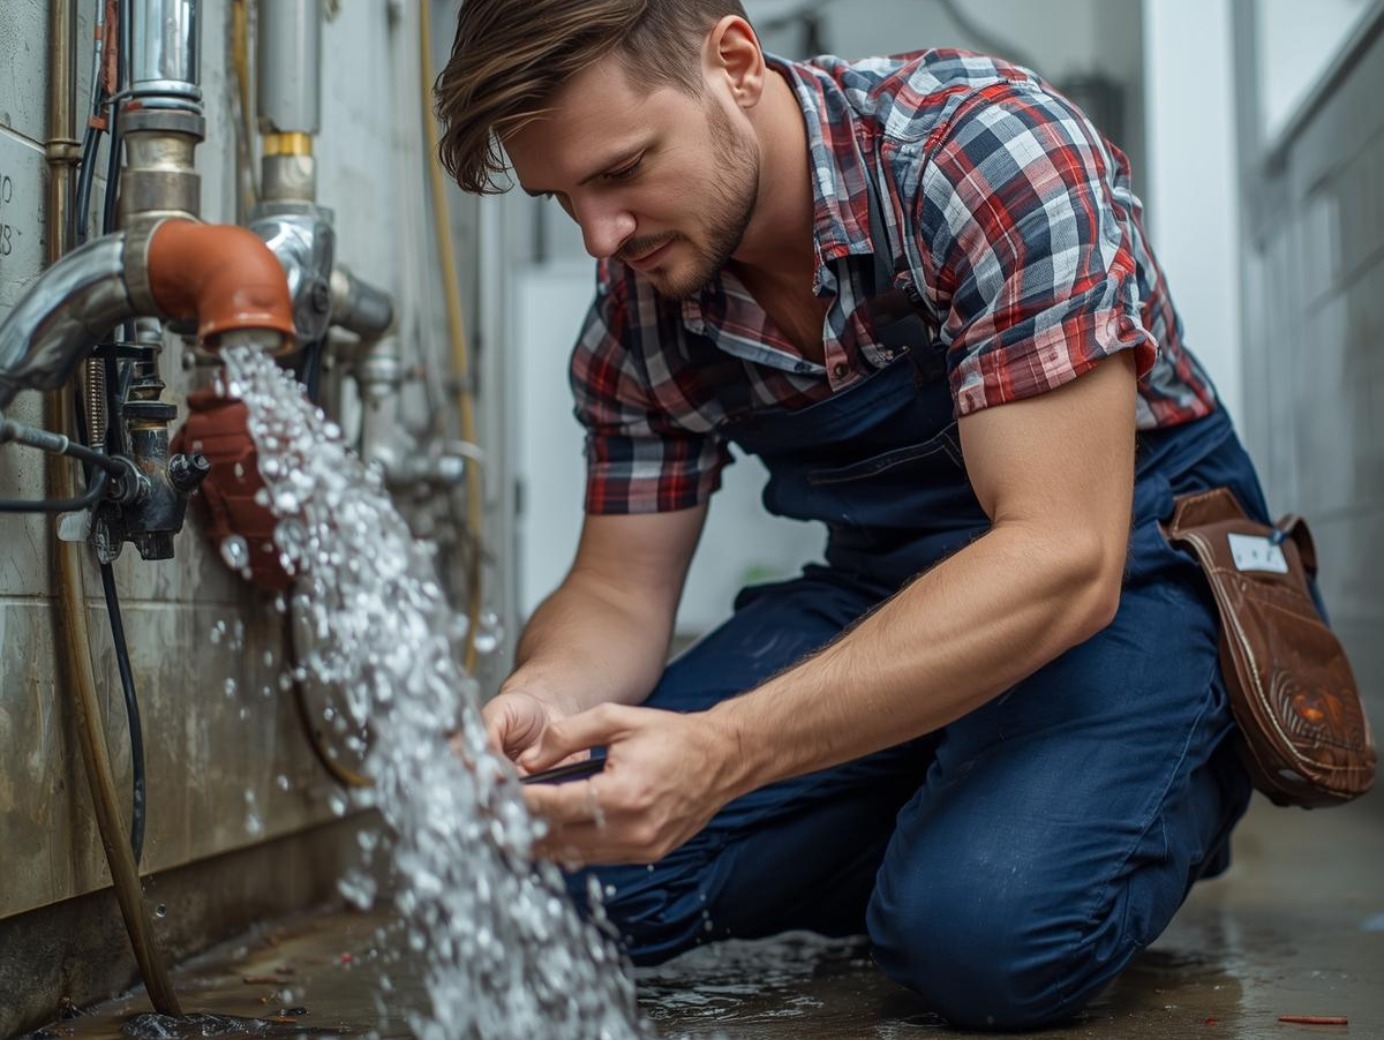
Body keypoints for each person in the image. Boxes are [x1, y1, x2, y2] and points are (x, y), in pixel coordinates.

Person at [435, 0, 1267, 1029]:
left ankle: (1159, 768)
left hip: (1126, 561)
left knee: (981, 938)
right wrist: (540, 704)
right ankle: (970, 776)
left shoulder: (984, 155)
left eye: (620, 171)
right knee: (561, 866)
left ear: (733, 60)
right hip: (891, 580)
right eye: (562, 197)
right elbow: (616, 590)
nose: (601, 236)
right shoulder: (638, 318)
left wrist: (730, 751)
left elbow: (1061, 552)